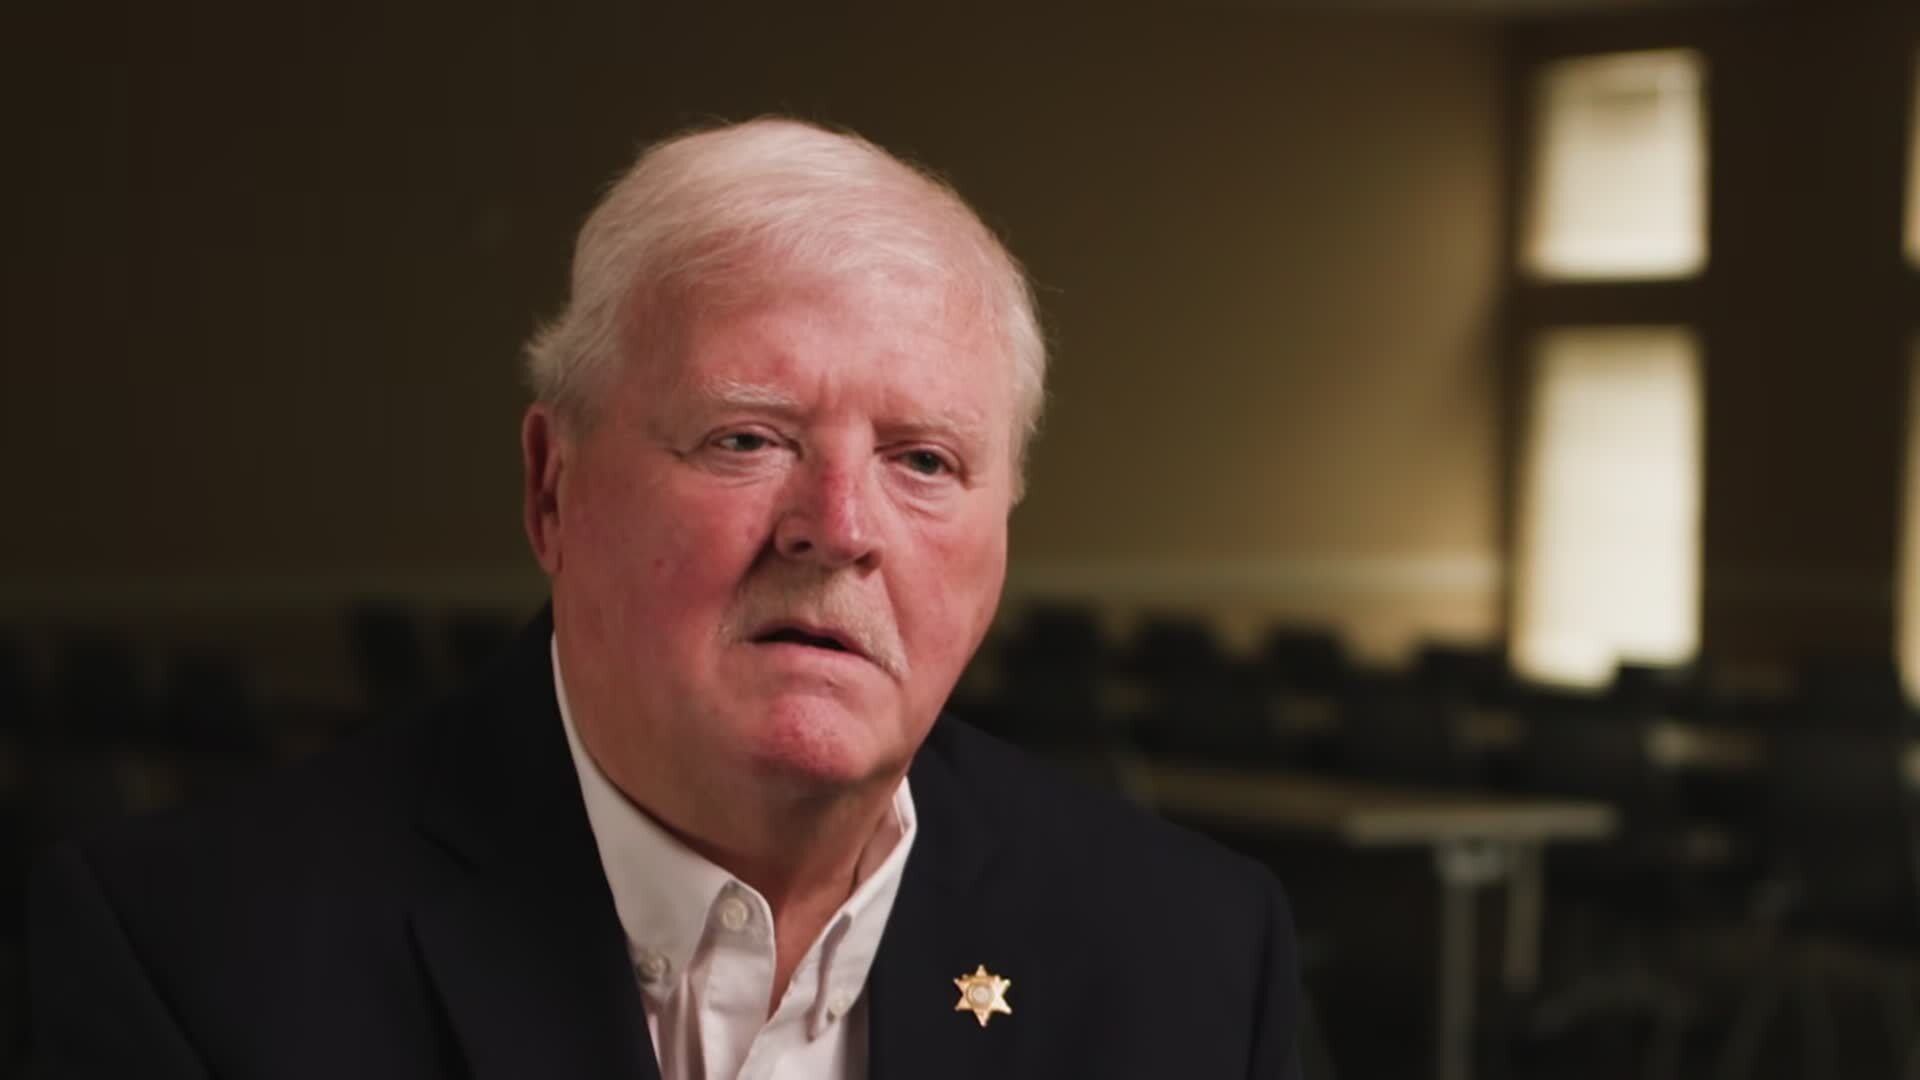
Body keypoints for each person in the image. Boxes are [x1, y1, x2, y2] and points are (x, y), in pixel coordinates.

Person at [31, 118, 1302, 1078]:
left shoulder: (1194, 955)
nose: (839, 527)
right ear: (553, 489)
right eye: (746, 439)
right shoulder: (187, 959)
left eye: (923, 461)